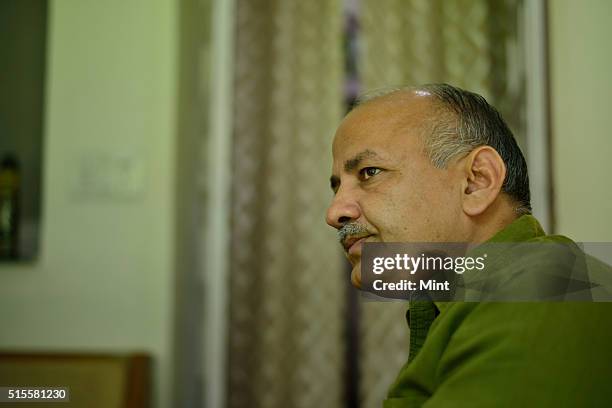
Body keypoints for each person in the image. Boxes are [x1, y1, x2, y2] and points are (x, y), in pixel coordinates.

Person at [325, 83, 612, 407]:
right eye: (337, 187)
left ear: (477, 181)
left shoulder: (550, 286)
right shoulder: (465, 302)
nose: (335, 212)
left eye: (369, 172)